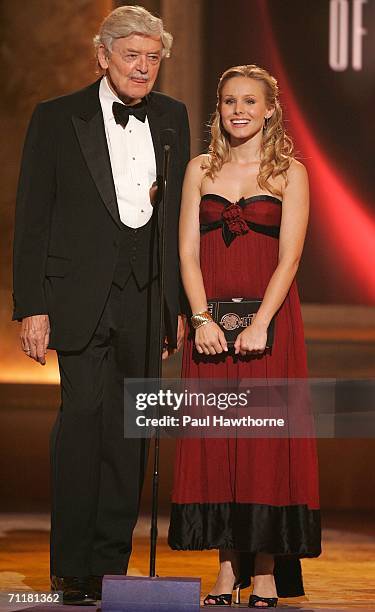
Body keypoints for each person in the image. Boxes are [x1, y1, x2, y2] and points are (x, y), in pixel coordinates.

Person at [13, 5, 190, 605]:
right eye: (131, 56)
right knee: (83, 423)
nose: (143, 69)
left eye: (152, 58)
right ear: (102, 55)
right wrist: (31, 305)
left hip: (147, 299)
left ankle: (111, 562)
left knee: (132, 433)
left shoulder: (172, 117)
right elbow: (32, 218)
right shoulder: (57, 117)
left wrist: (178, 306)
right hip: (82, 297)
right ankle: (72, 566)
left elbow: (175, 221)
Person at [168, 65, 321, 608]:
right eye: (230, 100)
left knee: (262, 442)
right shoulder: (199, 169)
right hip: (211, 329)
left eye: (250, 101)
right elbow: (187, 251)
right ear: (220, 107)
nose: (239, 110)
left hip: (270, 328)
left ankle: (264, 572)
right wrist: (202, 318)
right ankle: (226, 569)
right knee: (218, 440)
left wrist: (261, 323)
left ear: (269, 109)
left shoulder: (289, 173)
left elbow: (291, 257)